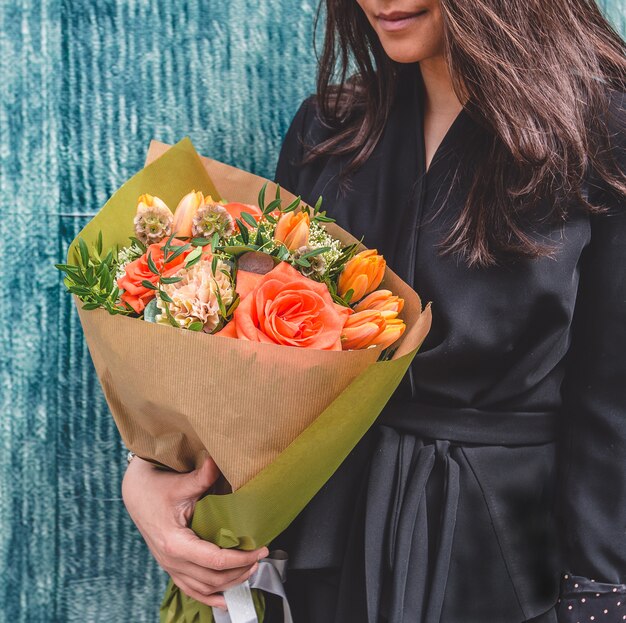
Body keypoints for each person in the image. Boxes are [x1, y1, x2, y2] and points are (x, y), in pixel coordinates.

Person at [122, 0, 626, 621]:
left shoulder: (605, 132)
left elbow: (612, 406)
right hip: (329, 547)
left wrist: (602, 597)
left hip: (512, 564)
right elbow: (261, 366)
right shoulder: (329, 128)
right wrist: (149, 478)